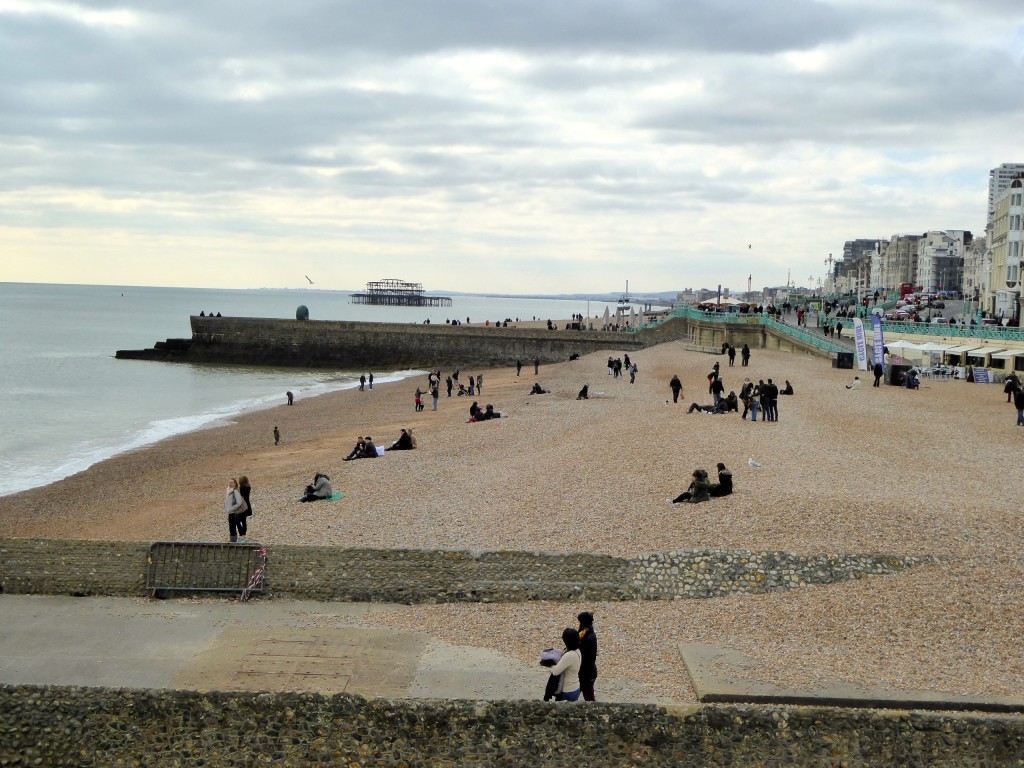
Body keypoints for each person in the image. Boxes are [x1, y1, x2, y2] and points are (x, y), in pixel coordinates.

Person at [543, 627, 583, 702]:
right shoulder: (577, 651)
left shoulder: (569, 655)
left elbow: (555, 671)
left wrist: (549, 664)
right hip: (575, 687)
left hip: (568, 690)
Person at [577, 612, 598, 702]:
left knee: (589, 697)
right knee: (588, 695)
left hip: (586, 673)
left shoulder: (589, 638)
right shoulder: (585, 632)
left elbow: (586, 658)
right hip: (587, 672)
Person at [225, 477, 247, 542]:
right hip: (230, 512)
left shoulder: (235, 491)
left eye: (232, 483)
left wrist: (232, 508)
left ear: (235, 484)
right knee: (232, 528)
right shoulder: (228, 491)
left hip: (234, 513)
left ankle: (234, 542)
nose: (230, 484)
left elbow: (239, 503)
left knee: (233, 528)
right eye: (229, 482)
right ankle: (233, 541)